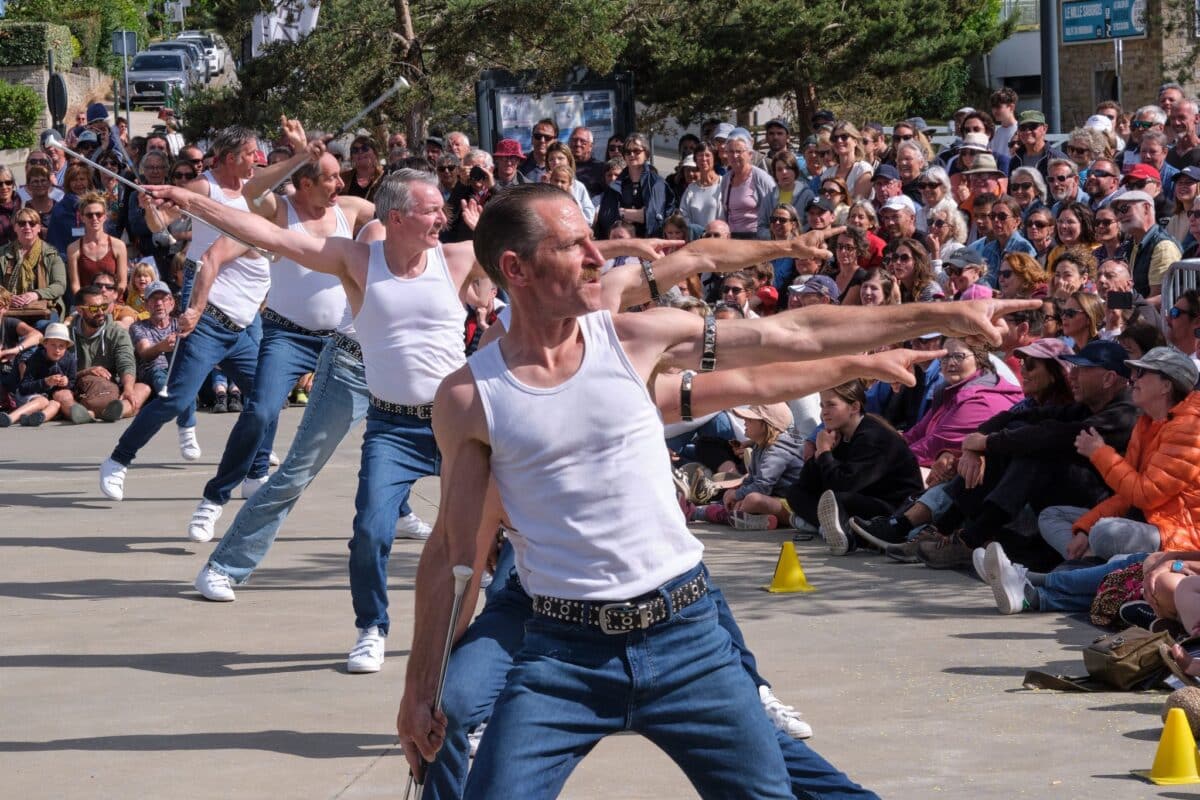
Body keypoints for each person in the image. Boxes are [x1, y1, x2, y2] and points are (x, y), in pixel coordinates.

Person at [394, 182, 1035, 798]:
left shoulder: (633, 338)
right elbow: (456, 548)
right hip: (563, 657)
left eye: (593, 242)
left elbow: (791, 334)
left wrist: (943, 313)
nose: (598, 258)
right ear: (517, 267)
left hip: (687, 637)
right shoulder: (469, 397)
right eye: (574, 247)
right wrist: (423, 680)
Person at [99, 126, 274, 506]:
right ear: (230, 158)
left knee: (267, 396)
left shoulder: (254, 188)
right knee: (176, 399)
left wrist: (302, 150)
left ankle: (256, 472)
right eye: (249, 154)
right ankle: (118, 460)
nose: (255, 160)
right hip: (208, 309)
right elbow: (159, 224)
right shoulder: (203, 187)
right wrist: (149, 208)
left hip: (247, 315)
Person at [1040, 347, 1200, 561]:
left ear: (1166, 386)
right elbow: (1126, 496)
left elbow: (1145, 494)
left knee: (1106, 532)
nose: (1132, 378)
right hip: (1146, 521)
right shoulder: (1145, 423)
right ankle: (1090, 563)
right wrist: (1084, 530)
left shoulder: (1188, 429)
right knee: (1053, 516)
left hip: (1179, 535)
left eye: (1141, 373)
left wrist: (1100, 453)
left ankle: (1048, 580)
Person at [789, 379, 923, 554]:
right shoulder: (840, 434)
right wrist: (820, 455)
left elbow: (844, 484)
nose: (824, 413)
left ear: (854, 407)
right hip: (864, 495)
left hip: (894, 507)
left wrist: (824, 452)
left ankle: (837, 530)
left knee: (836, 499)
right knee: (794, 492)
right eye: (822, 406)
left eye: (831, 405)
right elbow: (807, 483)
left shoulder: (873, 437)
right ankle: (830, 526)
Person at [66, 284, 147, 424]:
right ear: (79, 310)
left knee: (143, 388)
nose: (100, 312)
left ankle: (111, 411)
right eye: (93, 309)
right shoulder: (66, 335)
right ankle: (100, 412)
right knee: (62, 395)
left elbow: (126, 361)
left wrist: (127, 388)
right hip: (79, 388)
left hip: (111, 388)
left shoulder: (117, 331)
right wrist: (87, 372)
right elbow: (61, 373)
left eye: (103, 307)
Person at [595, 133, 674, 238]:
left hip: (649, 243)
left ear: (646, 154)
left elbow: (657, 218)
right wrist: (636, 214)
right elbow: (606, 218)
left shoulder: (657, 183)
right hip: (622, 245)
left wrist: (624, 213)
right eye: (627, 152)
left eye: (636, 151)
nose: (631, 155)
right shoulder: (615, 185)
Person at [2, 321, 74, 427]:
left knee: (56, 404)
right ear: (45, 344)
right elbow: (24, 387)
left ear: (67, 346)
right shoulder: (36, 358)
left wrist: (66, 382)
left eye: (61, 346)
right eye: (53, 345)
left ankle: (37, 418)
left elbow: (72, 382)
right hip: (29, 396)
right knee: (42, 401)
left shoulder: (70, 359)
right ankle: (11, 418)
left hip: (48, 398)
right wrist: (46, 382)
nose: (57, 350)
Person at [0, 207, 67, 321]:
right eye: (22, 223)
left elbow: (60, 285)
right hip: (9, 308)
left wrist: (35, 295)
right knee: (8, 328)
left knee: (43, 326)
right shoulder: (2, 253)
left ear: (39, 228)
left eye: (32, 223)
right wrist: (9, 297)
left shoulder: (51, 254)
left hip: (44, 309)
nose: (27, 227)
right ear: (15, 227)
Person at [66, 192, 128, 301]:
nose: (94, 218)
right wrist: (89, 304)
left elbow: (122, 283)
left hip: (114, 304)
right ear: (82, 218)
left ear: (104, 216)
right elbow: (75, 286)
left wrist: (110, 301)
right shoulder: (73, 249)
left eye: (98, 214)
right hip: (87, 305)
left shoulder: (118, 245)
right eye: (89, 215)